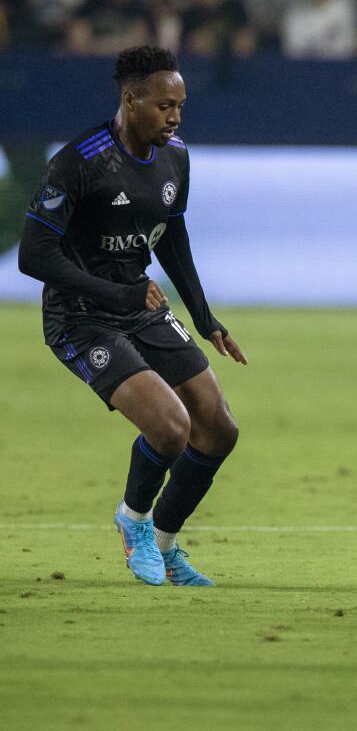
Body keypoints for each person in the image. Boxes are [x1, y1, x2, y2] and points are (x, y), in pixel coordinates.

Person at [18, 45, 245, 587]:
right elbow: (34, 255)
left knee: (217, 427)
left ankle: (165, 544)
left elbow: (173, 235)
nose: (176, 117)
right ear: (131, 99)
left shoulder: (175, 156)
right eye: (165, 106)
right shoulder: (79, 162)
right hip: (80, 317)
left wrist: (206, 316)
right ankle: (134, 520)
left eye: (181, 106)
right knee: (170, 428)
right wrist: (114, 294)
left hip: (139, 307)